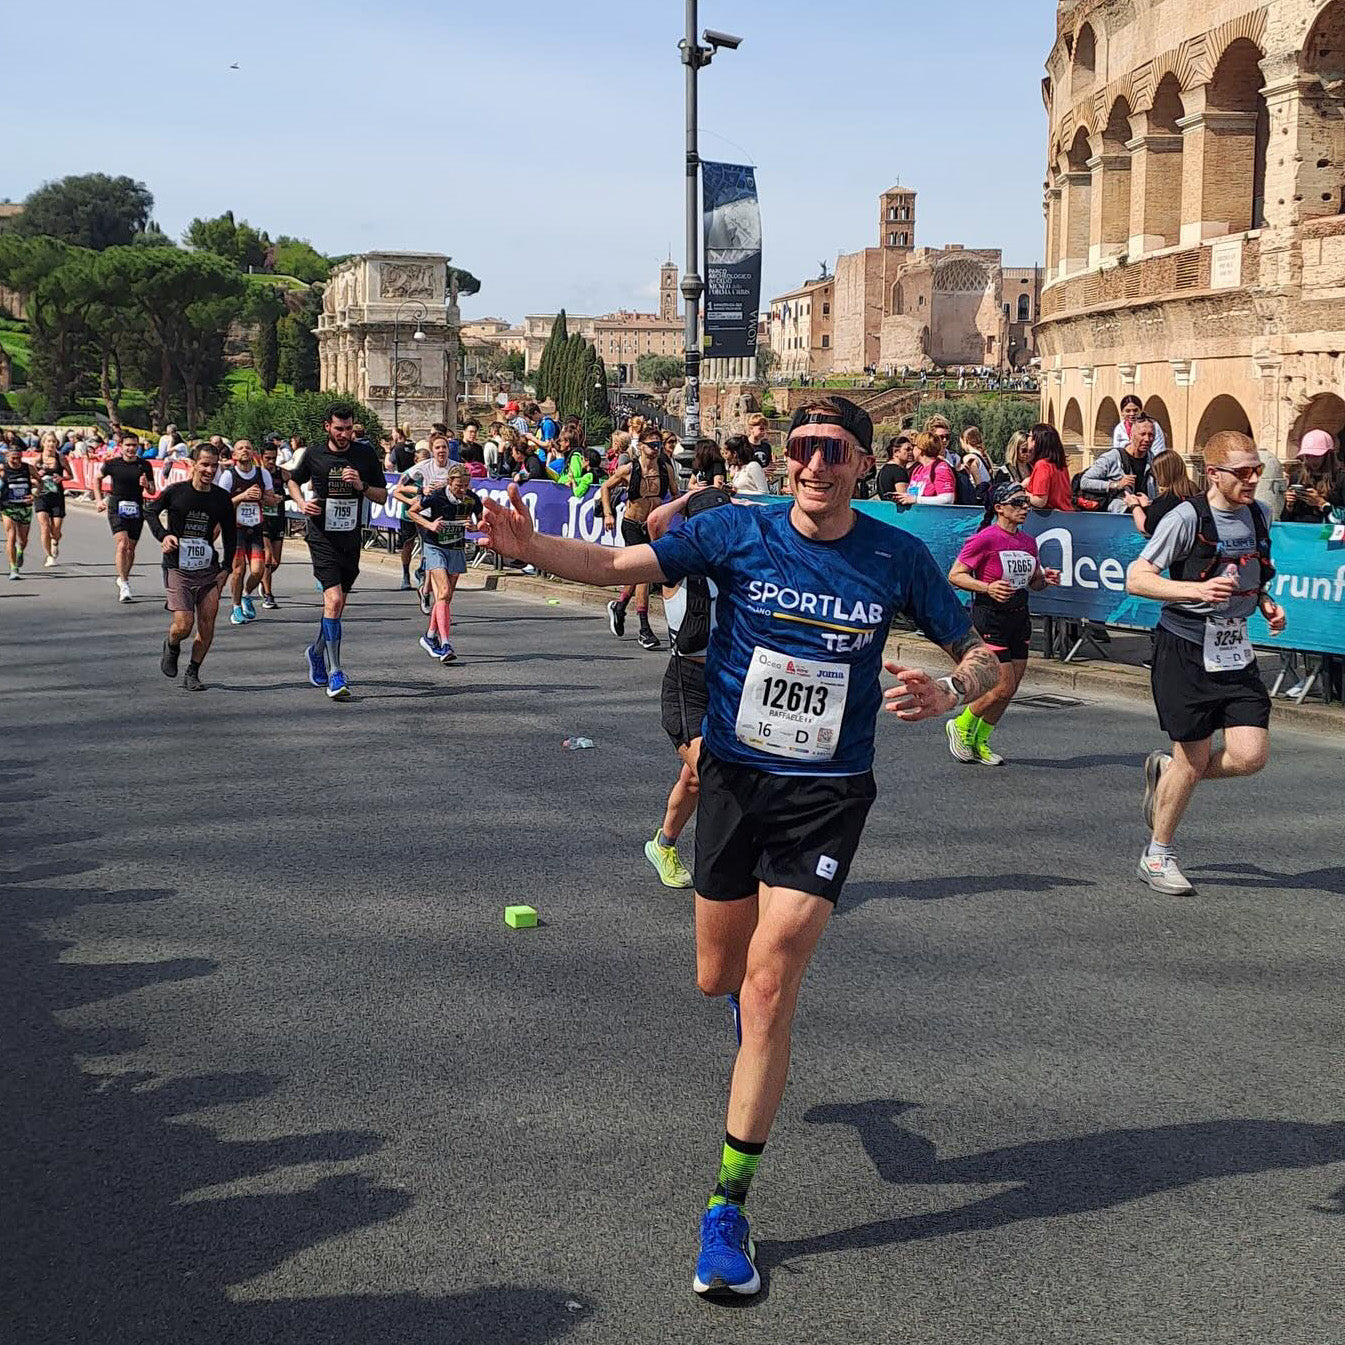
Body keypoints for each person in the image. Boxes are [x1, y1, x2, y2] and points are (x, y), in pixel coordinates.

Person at [477, 395, 999, 1299]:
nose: (811, 463)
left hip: (828, 797)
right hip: (732, 782)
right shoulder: (733, 531)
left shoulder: (896, 556)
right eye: (799, 448)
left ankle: (726, 1206)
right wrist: (528, 550)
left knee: (768, 982)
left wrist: (954, 690)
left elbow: (987, 652)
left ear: (861, 464)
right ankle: (755, 1025)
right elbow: (610, 560)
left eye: (831, 450)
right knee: (718, 978)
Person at [1125, 430, 1286, 896]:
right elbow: (1138, 579)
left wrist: (1265, 604)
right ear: (1213, 473)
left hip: (1235, 650)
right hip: (1184, 650)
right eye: (1243, 472)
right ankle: (1158, 855)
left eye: (1256, 470)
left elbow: (1250, 576)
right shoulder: (1185, 517)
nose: (1253, 479)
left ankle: (1167, 773)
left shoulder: (1260, 515)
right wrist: (1193, 590)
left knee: (1251, 756)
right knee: (1192, 760)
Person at [641, 485, 734, 889]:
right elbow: (655, 523)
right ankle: (739, 870)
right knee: (717, 775)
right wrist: (689, 496)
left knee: (695, 778)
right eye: (708, 526)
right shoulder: (676, 568)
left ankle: (663, 845)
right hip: (687, 686)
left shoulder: (740, 565)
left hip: (731, 684)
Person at [946, 481, 1061, 764]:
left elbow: (1033, 583)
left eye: (1026, 503)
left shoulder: (1028, 542)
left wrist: (1045, 579)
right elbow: (955, 575)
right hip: (990, 616)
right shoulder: (985, 538)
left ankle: (980, 739)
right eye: (1017, 504)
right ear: (999, 508)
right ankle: (961, 725)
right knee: (1002, 686)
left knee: (1012, 687)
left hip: (1019, 615)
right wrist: (987, 587)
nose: (1025, 509)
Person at [286, 404, 388, 701]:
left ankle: (316, 652)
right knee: (332, 599)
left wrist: (361, 484)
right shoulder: (314, 454)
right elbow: (293, 480)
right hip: (321, 536)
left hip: (350, 537)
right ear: (326, 427)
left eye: (349, 429)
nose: (344, 435)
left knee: (338, 604)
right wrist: (301, 504)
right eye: (339, 429)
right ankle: (335, 673)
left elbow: (382, 495)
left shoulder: (364, 454)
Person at [146, 445, 237, 691]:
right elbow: (151, 511)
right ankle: (172, 643)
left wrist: (226, 568)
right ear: (193, 464)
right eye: (205, 464)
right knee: (184, 625)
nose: (209, 470)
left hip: (208, 570)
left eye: (214, 465)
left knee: (207, 623)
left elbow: (230, 535)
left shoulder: (221, 498)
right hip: (178, 568)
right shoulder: (176, 492)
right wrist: (164, 536)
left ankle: (193, 672)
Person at [601, 428, 676, 650]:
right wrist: (608, 514)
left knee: (640, 571)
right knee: (644, 572)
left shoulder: (665, 469)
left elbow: (675, 495)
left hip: (653, 526)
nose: (656, 449)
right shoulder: (629, 469)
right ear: (640, 446)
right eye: (652, 445)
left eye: (659, 445)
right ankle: (644, 628)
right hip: (632, 524)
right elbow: (606, 487)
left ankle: (620, 605)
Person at [407, 464, 482, 664]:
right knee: (444, 590)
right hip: (434, 545)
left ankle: (430, 636)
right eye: (459, 485)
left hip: (456, 548)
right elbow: (411, 512)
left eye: (466, 485)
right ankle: (446, 643)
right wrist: (430, 524)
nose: (462, 489)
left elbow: (482, 522)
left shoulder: (472, 499)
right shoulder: (437, 496)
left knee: (445, 598)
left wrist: (474, 527)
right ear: (450, 482)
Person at [216, 440, 276, 627]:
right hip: (235, 530)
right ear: (234, 454)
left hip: (256, 527)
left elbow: (271, 499)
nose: (245, 451)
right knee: (238, 570)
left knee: (259, 570)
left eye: (248, 448)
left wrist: (266, 498)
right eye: (240, 448)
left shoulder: (262, 473)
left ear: (253, 453)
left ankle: (246, 594)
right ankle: (235, 609)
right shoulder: (228, 476)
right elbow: (222, 505)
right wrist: (242, 496)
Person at [96, 433, 157, 602]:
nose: (131, 449)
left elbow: (152, 490)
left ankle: (124, 575)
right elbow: (97, 478)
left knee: (131, 548)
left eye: (134, 445)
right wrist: (99, 499)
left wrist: (147, 485)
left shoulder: (144, 465)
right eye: (128, 445)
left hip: (136, 507)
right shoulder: (112, 464)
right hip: (116, 506)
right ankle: (124, 583)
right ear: (121, 446)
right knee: (122, 544)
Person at [1079, 415, 1159, 511]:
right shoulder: (1112, 457)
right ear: (1131, 435)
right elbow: (1085, 482)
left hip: (1145, 514)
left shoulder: (1153, 461)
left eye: (1151, 435)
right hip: (1118, 517)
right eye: (1142, 434)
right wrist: (1116, 485)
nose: (1147, 439)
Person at [1131, 450, 1199, 537]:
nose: (1154, 476)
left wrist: (1134, 505)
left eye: (1154, 472)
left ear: (1162, 473)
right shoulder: (1195, 491)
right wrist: (1146, 506)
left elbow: (1147, 528)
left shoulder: (1167, 499)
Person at [1283, 429, 1345, 522]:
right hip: (1300, 532)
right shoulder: (1297, 477)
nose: (1312, 460)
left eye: (1316, 456)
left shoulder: (1341, 478)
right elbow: (1285, 519)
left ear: (1328, 455)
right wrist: (1289, 505)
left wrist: (1322, 504)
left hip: (1328, 533)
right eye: (1308, 456)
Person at [2, 440, 41, 581]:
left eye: (19, 458)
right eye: (13, 458)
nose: (16, 461)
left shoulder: (28, 468)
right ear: (7, 457)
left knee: (23, 540)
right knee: (11, 537)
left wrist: (35, 494)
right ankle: (13, 568)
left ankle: (20, 551)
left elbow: (40, 482)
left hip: (24, 507)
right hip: (8, 507)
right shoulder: (2, 469)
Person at [33, 430, 71, 567]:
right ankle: (49, 556)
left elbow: (70, 475)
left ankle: (55, 541)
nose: (51, 444)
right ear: (43, 443)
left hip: (57, 497)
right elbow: (30, 476)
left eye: (53, 442)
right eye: (48, 441)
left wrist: (62, 478)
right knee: (44, 527)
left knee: (55, 531)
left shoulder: (60, 458)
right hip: (41, 496)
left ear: (57, 444)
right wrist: (38, 475)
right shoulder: (37, 459)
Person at [258, 440, 288, 609]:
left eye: (274, 458)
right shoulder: (257, 474)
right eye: (268, 458)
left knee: (275, 562)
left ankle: (262, 580)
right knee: (267, 558)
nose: (271, 462)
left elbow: (294, 483)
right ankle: (268, 595)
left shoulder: (282, 474)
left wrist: (285, 497)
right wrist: (266, 499)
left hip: (278, 519)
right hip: (262, 520)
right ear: (261, 457)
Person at [1023, 423, 1074, 512]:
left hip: (1050, 519)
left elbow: (1040, 501)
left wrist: (1021, 491)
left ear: (1036, 441)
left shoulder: (1042, 465)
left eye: (1029, 436)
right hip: (1066, 515)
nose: (1027, 439)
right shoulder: (1059, 464)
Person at [898, 432, 957, 504]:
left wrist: (916, 500)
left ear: (921, 449)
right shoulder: (918, 469)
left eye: (914, 446)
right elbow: (913, 495)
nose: (912, 449)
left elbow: (947, 499)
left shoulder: (941, 469)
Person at [875, 434, 915, 500]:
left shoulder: (884, 469)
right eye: (907, 450)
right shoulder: (898, 471)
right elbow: (904, 498)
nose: (911, 452)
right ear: (896, 452)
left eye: (912, 449)